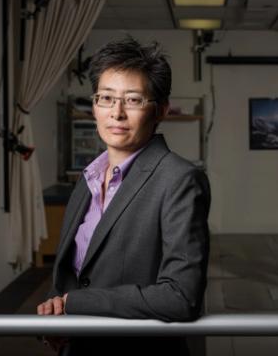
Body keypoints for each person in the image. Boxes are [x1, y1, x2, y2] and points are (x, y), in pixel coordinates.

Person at [37, 37, 211, 355]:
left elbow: (181, 296)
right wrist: (56, 313)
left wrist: (76, 304)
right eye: (106, 98)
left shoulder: (179, 180)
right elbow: (73, 274)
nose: (116, 113)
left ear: (160, 110)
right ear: (94, 105)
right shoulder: (87, 179)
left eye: (132, 100)